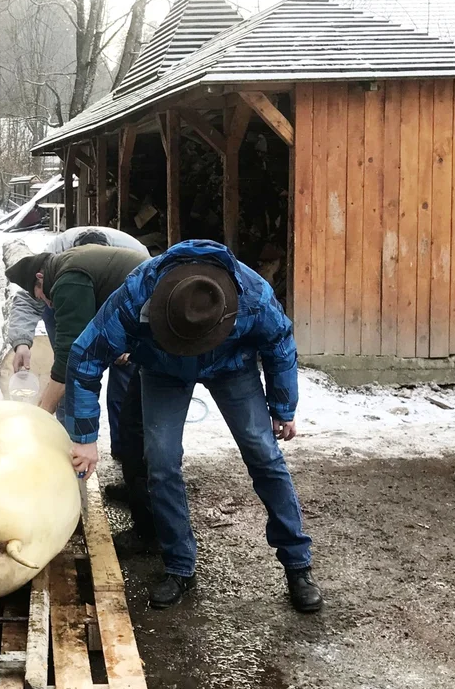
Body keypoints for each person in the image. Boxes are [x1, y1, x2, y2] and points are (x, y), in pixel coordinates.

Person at [63, 239, 322, 613]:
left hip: (231, 367)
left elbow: (280, 341)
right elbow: (86, 356)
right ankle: (179, 566)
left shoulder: (252, 295)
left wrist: (283, 406)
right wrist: (84, 438)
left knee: (264, 453)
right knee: (161, 461)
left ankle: (298, 565)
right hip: (163, 369)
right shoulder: (137, 293)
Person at [6, 226, 147, 458]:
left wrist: (126, 344)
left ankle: (124, 450)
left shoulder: (132, 252)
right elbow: (31, 300)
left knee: (123, 377)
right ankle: (64, 435)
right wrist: (22, 341)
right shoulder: (52, 258)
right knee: (70, 365)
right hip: (72, 294)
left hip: (121, 303)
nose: (45, 300)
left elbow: (146, 303)